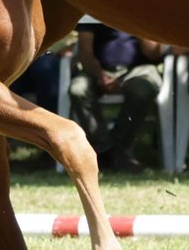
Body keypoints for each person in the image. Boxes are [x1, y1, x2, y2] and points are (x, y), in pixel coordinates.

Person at [68, 22, 165, 171]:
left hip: (138, 70)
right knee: (78, 89)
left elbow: (154, 53)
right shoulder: (93, 8)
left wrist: (139, 25)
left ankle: (115, 150)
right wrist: (101, 75)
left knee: (142, 90)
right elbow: (85, 53)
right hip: (98, 70)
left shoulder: (145, 9)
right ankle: (108, 150)